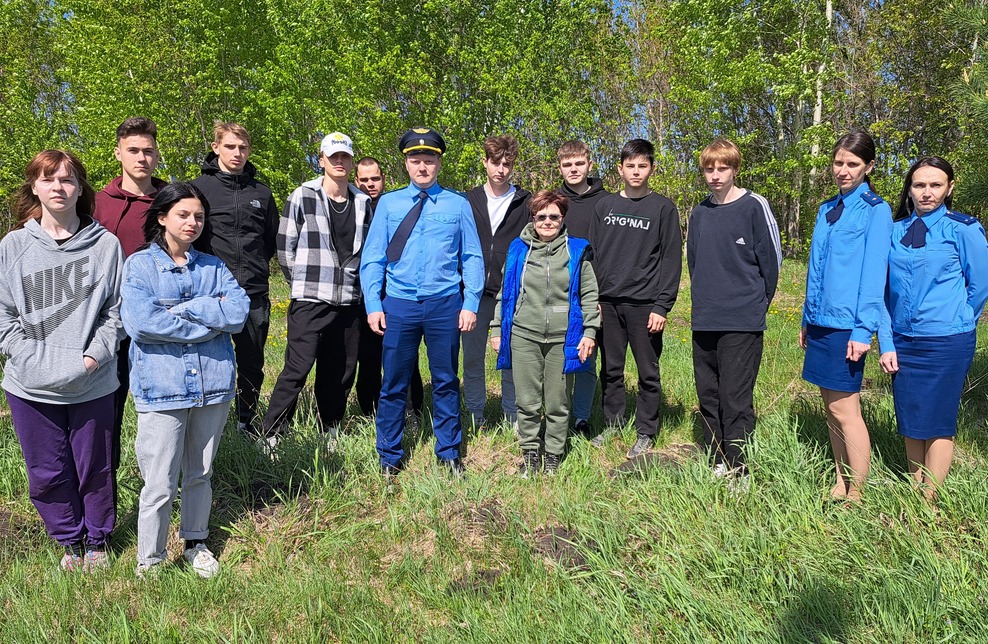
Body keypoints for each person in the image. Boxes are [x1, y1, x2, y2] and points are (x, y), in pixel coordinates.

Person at [0, 150, 124, 571]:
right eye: (48, 179)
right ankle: (70, 542)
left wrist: (92, 359)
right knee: (46, 471)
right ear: (34, 186)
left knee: (95, 467)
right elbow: (4, 315)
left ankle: (97, 540)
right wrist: (28, 358)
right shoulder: (14, 246)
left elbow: (116, 312)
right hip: (29, 385)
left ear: (80, 188)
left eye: (67, 180)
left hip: (92, 380)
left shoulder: (105, 246)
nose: (59, 187)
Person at [121, 182, 249, 578]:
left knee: (200, 473)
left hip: (213, 385)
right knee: (159, 481)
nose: (193, 222)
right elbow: (142, 324)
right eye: (183, 214)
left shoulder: (213, 266)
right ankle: (151, 560)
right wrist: (209, 319)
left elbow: (239, 313)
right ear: (162, 218)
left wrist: (182, 310)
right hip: (162, 389)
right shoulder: (139, 266)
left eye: (199, 216)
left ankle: (195, 542)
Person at [360, 127, 484, 475]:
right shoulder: (389, 203)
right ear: (406, 163)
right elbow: (373, 258)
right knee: (394, 382)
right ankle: (389, 456)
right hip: (399, 304)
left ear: (439, 162)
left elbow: (472, 257)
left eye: (429, 159)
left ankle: (448, 452)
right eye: (415, 160)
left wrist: (470, 301)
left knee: (445, 380)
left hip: (445, 303)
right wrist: (373, 303)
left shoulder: (458, 204)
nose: (422, 166)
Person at [878, 157, 988, 500]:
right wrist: (886, 341)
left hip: (947, 341)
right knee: (911, 415)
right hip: (902, 340)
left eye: (935, 185)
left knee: (938, 418)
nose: (927, 192)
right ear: (909, 190)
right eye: (919, 185)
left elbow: (980, 284)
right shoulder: (892, 232)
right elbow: (877, 292)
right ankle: (915, 489)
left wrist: (957, 319)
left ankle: (931, 499)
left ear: (949, 188)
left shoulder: (963, 229)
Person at [261, 133, 372, 447]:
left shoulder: (363, 202)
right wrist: (302, 282)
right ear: (321, 160)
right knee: (297, 368)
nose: (339, 162)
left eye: (345, 157)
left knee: (340, 371)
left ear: (351, 162)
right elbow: (285, 246)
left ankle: (330, 430)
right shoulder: (303, 195)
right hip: (310, 299)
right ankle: (272, 435)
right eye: (333, 157)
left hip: (349, 300)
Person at [800, 129, 892, 503]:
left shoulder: (876, 210)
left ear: (868, 167)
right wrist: (807, 318)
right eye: (838, 162)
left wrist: (862, 330)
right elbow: (816, 268)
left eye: (853, 164)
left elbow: (874, 276)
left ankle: (858, 491)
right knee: (830, 408)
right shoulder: (826, 208)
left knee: (846, 409)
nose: (843, 170)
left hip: (848, 326)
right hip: (821, 322)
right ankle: (841, 481)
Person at [686, 139, 782, 484]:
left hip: (742, 319)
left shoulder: (755, 206)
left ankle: (740, 466)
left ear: (735, 169)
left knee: (735, 397)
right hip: (705, 318)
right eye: (709, 169)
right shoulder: (699, 213)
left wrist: (755, 304)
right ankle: (718, 460)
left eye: (722, 168)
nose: (715, 175)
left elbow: (771, 262)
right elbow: (694, 263)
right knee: (708, 393)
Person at [490, 191, 599, 476]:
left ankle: (553, 453)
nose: (548, 222)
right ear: (533, 218)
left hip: (564, 337)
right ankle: (530, 452)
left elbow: (589, 294)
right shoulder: (518, 249)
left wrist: (589, 331)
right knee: (526, 401)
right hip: (524, 334)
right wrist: (496, 329)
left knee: (557, 402)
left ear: (563, 219)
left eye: (554, 216)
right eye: (542, 216)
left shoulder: (577, 250)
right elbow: (506, 293)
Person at [589, 138, 682, 459]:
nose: (636, 171)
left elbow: (671, 260)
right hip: (608, 304)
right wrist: (595, 296)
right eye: (631, 166)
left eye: (643, 165)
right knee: (611, 369)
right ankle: (613, 424)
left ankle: (646, 430)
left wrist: (662, 305)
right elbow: (594, 255)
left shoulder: (663, 208)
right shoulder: (605, 206)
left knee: (647, 372)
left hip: (645, 306)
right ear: (620, 169)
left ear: (652, 168)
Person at [94, 116, 166, 500]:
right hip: (109, 325)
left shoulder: (170, 199)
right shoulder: (96, 203)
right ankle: (106, 493)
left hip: (158, 326)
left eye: (148, 151)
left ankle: (162, 488)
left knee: (160, 412)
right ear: (119, 153)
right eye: (134, 150)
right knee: (110, 412)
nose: (142, 157)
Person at [192, 122, 279, 434]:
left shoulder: (262, 193)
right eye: (230, 146)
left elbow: (270, 240)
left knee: (252, 364)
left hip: (253, 292)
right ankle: (207, 425)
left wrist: (255, 269)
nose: (237, 153)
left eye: (243, 148)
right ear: (216, 147)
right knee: (210, 363)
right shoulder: (198, 189)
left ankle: (246, 420)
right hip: (211, 294)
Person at [463, 135, 531, 429]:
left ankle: (512, 417)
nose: (501, 169)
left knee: (511, 357)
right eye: (495, 162)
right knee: (473, 359)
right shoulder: (468, 200)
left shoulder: (525, 202)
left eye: (508, 163)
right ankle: (475, 414)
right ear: (485, 162)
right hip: (473, 293)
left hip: (512, 293)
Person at [352, 156, 425, 418]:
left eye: (375, 179)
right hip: (362, 294)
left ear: (383, 179)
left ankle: (412, 409)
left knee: (405, 356)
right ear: (356, 181)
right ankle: (370, 411)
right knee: (368, 357)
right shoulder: (352, 208)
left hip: (396, 293)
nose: (370, 184)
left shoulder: (397, 205)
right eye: (364, 180)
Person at [557, 140, 609, 437]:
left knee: (586, 357)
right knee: (559, 359)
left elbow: (609, 252)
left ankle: (581, 417)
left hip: (593, 293)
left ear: (590, 164)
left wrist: (599, 295)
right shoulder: (555, 203)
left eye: (579, 164)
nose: (573, 169)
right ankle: (558, 415)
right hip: (559, 292)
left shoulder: (606, 202)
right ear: (560, 168)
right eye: (567, 165)